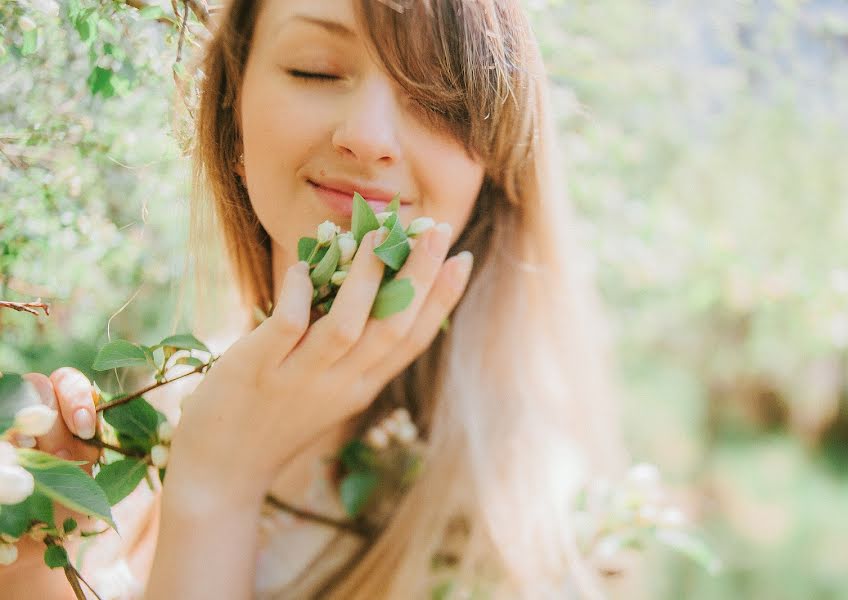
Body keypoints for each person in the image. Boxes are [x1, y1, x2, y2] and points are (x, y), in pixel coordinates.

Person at [3, 0, 624, 597]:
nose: (369, 136)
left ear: (491, 159)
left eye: (438, 91)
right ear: (233, 113)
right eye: (315, 69)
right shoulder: (173, 408)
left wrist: (220, 488)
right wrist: (34, 555)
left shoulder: (523, 526)